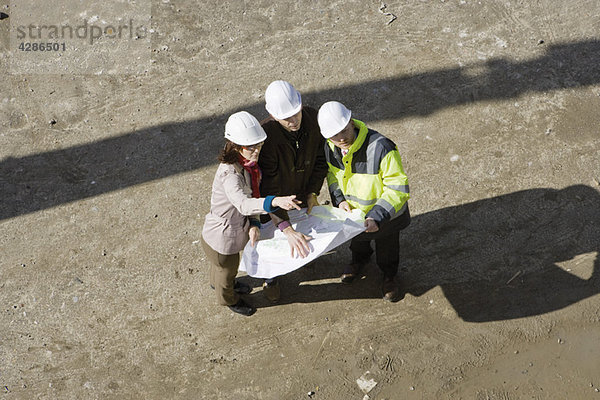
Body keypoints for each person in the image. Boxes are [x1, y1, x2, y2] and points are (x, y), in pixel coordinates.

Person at [201, 111, 302, 316]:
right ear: (235, 145)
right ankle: (228, 298)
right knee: (227, 270)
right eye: (251, 147)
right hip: (223, 238)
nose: (257, 151)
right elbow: (244, 204)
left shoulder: (246, 165)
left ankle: (219, 284)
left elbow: (251, 194)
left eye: (259, 145)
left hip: (224, 232)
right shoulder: (230, 175)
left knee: (221, 270)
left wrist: (255, 224)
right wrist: (275, 201)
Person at [317, 101, 411, 302]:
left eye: (343, 130)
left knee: (388, 248)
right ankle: (359, 261)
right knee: (358, 243)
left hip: (387, 216)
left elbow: (397, 188)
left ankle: (389, 275)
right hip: (356, 215)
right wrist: (340, 200)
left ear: (351, 122)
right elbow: (332, 176)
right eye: (334, 135)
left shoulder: (382, 147)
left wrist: (377, 216)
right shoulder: (330, 147)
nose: (341, 138)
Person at [258, 80, 329, 302]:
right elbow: (267, 187)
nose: (293, 121)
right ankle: (270, 279)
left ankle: (305, 256)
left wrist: (312, 193)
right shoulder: (265, 138)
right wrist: (284, 225)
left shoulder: (312, 119)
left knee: (305, 230)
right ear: (272, 115)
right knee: (271, 241)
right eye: (286, 117)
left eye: (296, 113)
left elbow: (320, 159)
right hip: (274, 199)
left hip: (301, 192)